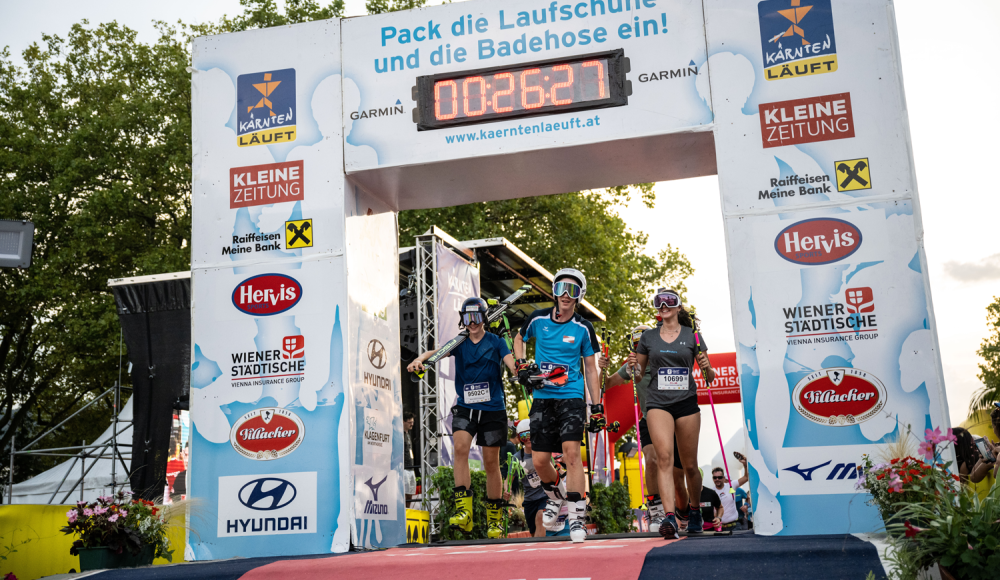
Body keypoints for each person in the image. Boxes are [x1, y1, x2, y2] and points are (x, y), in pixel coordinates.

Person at [407, 297, 516, 538]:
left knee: (491, 463)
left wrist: (519, 367)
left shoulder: (496, 342)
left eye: (477, 317)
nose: (472, 323)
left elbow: (511, 365)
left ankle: (494, 521)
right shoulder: (459, 342)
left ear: (485, 318)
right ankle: (463, 512)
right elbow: (435, 353)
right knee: (460, 448)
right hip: (466, 406)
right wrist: (418, 360)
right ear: (462, 319)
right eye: (467, 318)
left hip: (493, 409)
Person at [514, 268, 601, 543]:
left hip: (571, 397)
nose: (566, 295)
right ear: (553, 291)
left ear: (579, 297)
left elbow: (590, 369)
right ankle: (558, 496)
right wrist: (522, 366)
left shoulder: (583, 328)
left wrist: (596, 406)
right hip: (542, 397)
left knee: (571, 453)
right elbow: (519, 339)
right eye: (562, 288)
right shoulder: (537, 318)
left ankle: (576, 518)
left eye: (572, 290)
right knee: (539, 461)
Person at [634, 288, 715, 539]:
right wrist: (633, 368)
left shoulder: (694, 336)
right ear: (657, 309)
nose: (664, 305)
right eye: (659, 302)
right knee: (664, 458)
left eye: (670, 301)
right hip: (658, 402)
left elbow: (710, 378)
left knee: (690, 465)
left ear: (679, 308)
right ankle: (669, 517)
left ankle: (694, 511)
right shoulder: (648, 337)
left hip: (686, 403)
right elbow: (638, 374)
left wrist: (706, 368)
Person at [602, 324, 690, 533]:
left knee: (678, 478)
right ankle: (657, 511)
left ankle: (686, 513)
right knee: (650, 461)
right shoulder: (632, 367)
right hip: (649, 418)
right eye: (636, 345)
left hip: (675, 418)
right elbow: (605, 385)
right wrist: (602, 368)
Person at [516, 419, 548, 537]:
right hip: (529, 500)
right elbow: (509, 479)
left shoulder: (543, 452)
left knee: (541, 516)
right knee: (533, 533)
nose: (528, 438)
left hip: (545, 495)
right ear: (520, 439)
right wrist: (506, 490)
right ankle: (539, 550)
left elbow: (555, 468)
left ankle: (540, 551)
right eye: (524, 436)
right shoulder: (516, 458)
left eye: (531, 434)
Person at [403, 411, 416, 507]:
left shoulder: (408, 434)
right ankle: (405, 511)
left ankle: (408, 511)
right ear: (403, 422)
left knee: (411, 491)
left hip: (411, 467)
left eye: (412, 422)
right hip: (404, 467)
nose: (412, 424)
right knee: (405, 491)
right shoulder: (400, 434)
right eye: (410, 422)